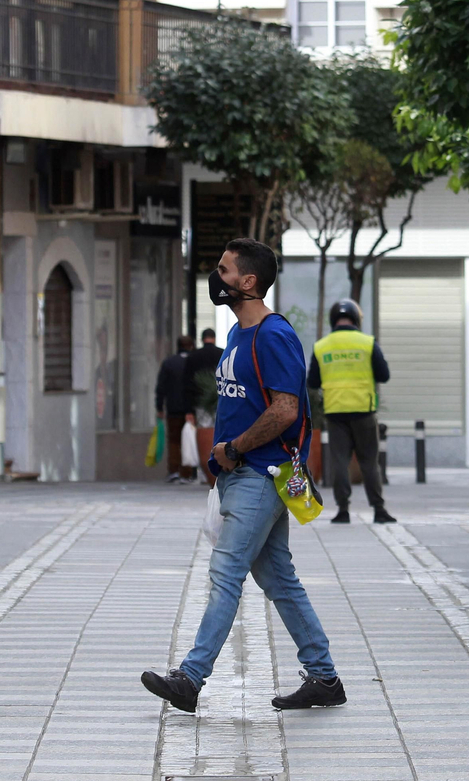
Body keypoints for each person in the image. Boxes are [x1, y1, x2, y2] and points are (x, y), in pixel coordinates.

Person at [142, 238, 345, 713]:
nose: (218, 278)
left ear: (247, 282)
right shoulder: (237, 336)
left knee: (226, 571)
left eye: (224, 270)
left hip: (261, 473)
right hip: (239, 474)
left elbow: (285, 409)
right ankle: (325, 677)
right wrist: (222, 462)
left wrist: (233, 448)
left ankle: (191, 679)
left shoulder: (273, 336)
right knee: (279, 580)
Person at [308, 299, 395, 524]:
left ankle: (343, 511)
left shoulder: (321, 346)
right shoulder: (367, 343)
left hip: (335, 412)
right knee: (369, 462)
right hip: (363, 411)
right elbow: (384, 375)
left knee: (340, 462)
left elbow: (313, 381)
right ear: (357, 318)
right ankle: (379, 510)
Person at [154, 336, 195, 482]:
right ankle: (186, 472)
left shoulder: (169, 362)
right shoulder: (194, 361)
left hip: (173, 408)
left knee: (174, 441)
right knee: (188, 440)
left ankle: (173, 470)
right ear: (191, 345)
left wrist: (159, 407)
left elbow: (161, 387)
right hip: (191, 409)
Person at [183, 326, 223, 417]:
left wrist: (188, 410)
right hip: (219, 401)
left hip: (199, 401)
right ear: (214, 338)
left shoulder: (193, 356)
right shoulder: (222, 354)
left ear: (202, 339)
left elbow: (187, 383)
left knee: (203, 430)